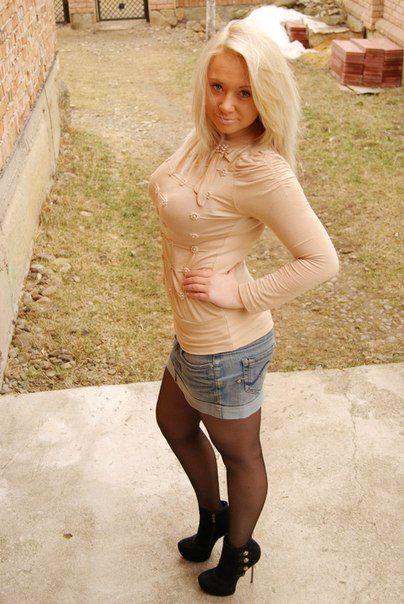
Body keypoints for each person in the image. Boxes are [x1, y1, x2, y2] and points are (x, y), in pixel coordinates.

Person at [149, 18, 339, 597]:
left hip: (228, 347)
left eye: (245, 93)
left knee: (241, 455)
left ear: (267, 96)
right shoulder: (207, 137)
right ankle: (214, 518)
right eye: (217, 87)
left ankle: (237, 554)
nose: (226, 105)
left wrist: (241, 293)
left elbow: (321, 260)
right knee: (173, 422)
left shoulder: (262, 169)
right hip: (193, 332)